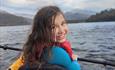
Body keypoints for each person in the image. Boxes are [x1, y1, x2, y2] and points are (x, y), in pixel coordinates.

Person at [8, 6, 80, 70]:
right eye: (53, 27)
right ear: (42, 31)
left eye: (62, 23)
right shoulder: (57, 52)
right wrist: (74, 61)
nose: (61, 30)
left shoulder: (34, 48)